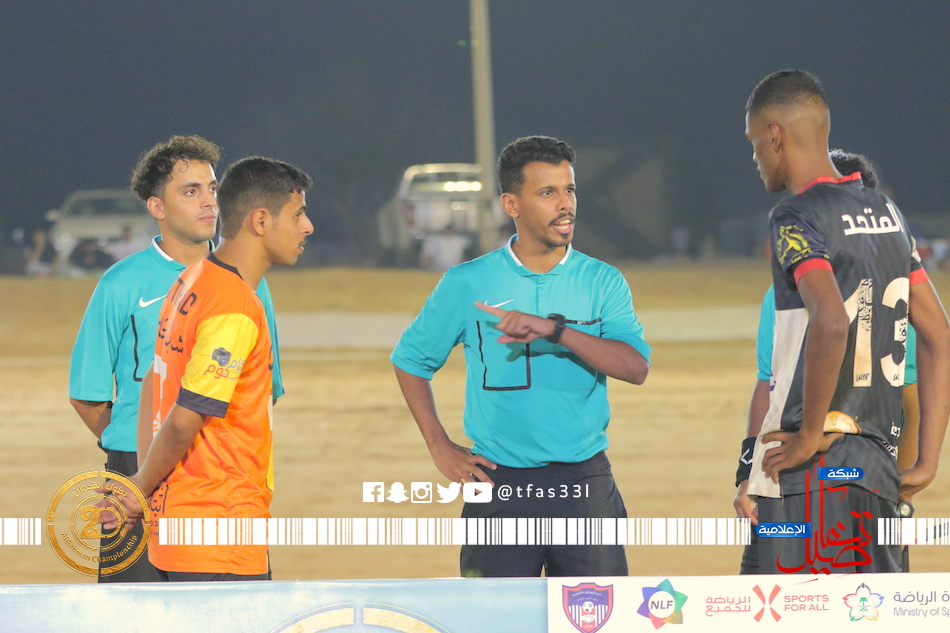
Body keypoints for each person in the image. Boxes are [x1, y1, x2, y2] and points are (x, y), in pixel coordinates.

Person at [391, 136, 651, 577]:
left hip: (584, 483)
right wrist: (439, 445)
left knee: (598, 612)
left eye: (569, 190)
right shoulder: (467, 282)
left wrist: (556, 330)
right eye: (548, 192)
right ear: (511, 204)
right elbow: (411, 360)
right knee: (495, 613)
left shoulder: (602, 280)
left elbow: (635, 368)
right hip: (498, 484)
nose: (565, 204)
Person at [741, 70, 950, 574]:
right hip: (876, 471)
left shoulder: (795, 216)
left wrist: (809, 434)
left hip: (808, 473)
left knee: (782, 606)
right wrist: (927, 460)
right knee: (870, 610)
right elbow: (939, 334)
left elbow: (831, 321)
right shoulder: (887, 212)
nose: (755, 158)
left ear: (774, 135)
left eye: (753, 144)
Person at [69, 136, 286, 582]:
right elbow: (87, 396)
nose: (209, 202)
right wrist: (133, 448)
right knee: (133, 611)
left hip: (217, 477)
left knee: (225, 610)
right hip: (134, 470)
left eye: (213, 188)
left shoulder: (247, 282)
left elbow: (266, 389)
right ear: (157, 207)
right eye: (191, 191)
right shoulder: (120, 283)